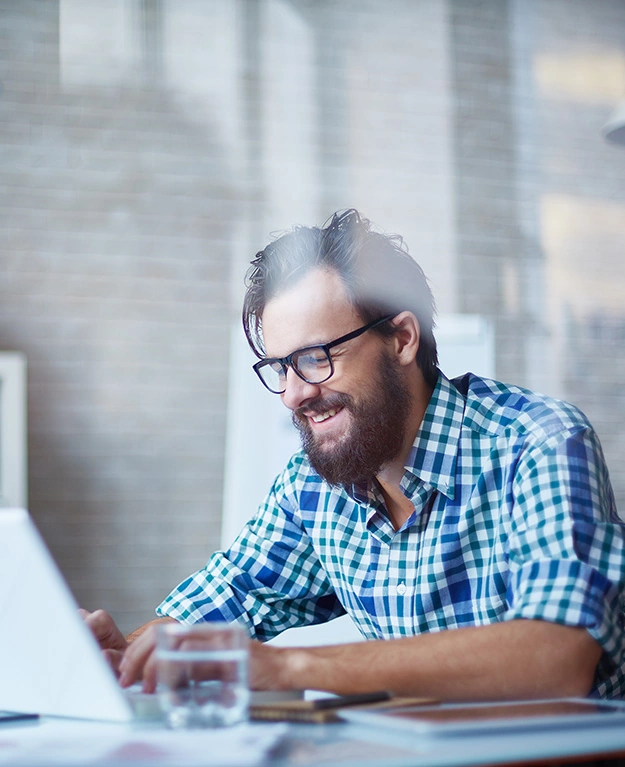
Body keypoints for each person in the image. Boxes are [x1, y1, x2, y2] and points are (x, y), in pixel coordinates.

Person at [84, 209, 625, 700]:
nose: (294, 394)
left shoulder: (541, 443)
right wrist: (131, 653)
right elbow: (226, 600)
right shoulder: (315, 486)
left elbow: (557, 657)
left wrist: (288, 667)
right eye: (280, 368)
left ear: (402, 339)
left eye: (316, 357)